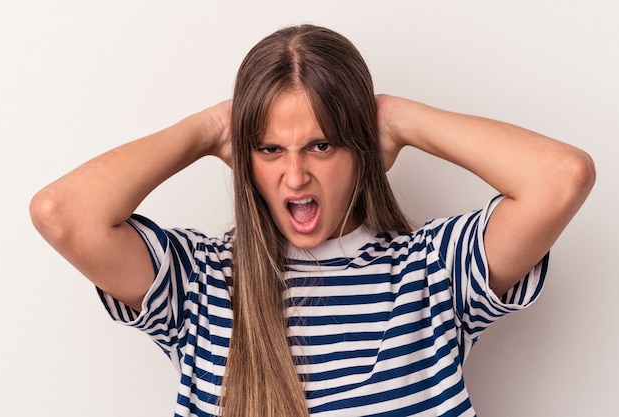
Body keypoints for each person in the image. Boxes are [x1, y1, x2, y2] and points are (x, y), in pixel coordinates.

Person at [30, 24, 595, 417]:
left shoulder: (434, 271)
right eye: (270, 149)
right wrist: (208, 130)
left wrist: (398, 118)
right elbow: (62, 214)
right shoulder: (200, 283)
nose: (295, 176)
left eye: (322, 145)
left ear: (360, 149)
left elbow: (561, 177)